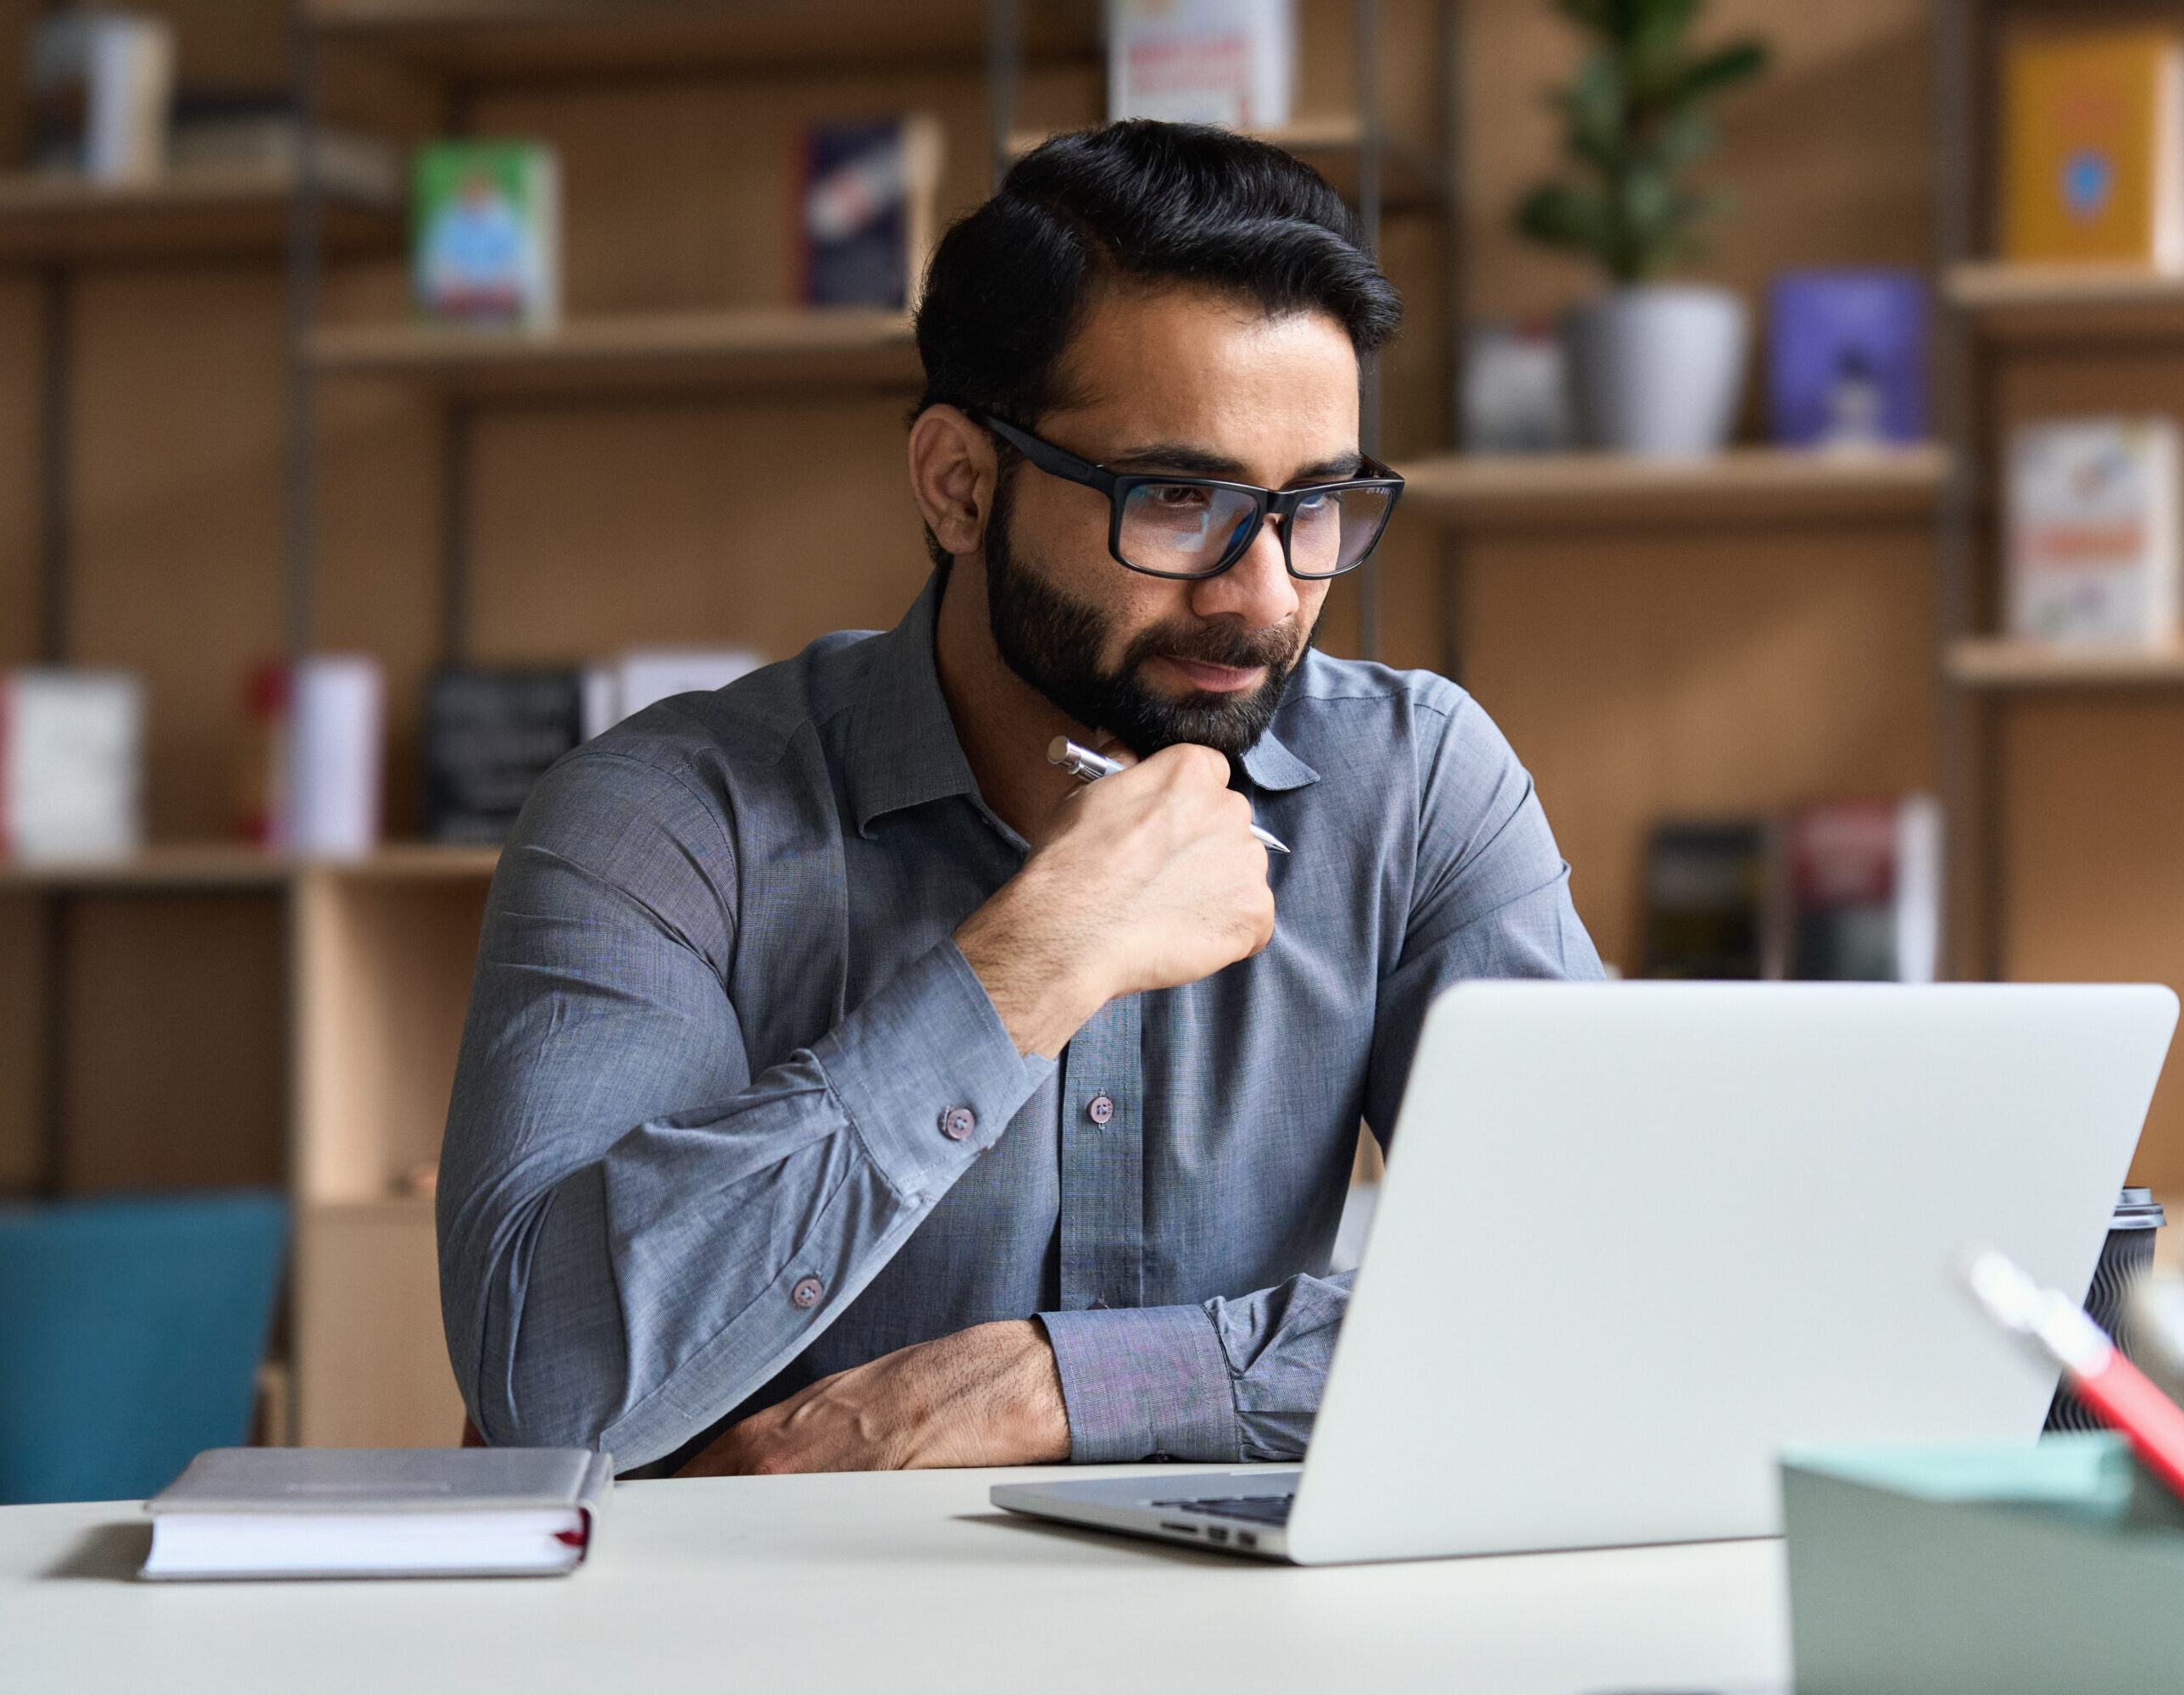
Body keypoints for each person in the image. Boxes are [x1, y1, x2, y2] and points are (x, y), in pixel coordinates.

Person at [437, 120, 1602, 1477]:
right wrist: (1028, 966)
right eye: (1178, 497)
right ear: (958, 484)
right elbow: (548, 1389)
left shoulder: (1415, 785)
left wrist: (1048, 1388)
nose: (1270, 596)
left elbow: (1609, 1289)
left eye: (1318, 505)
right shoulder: (661, 820)